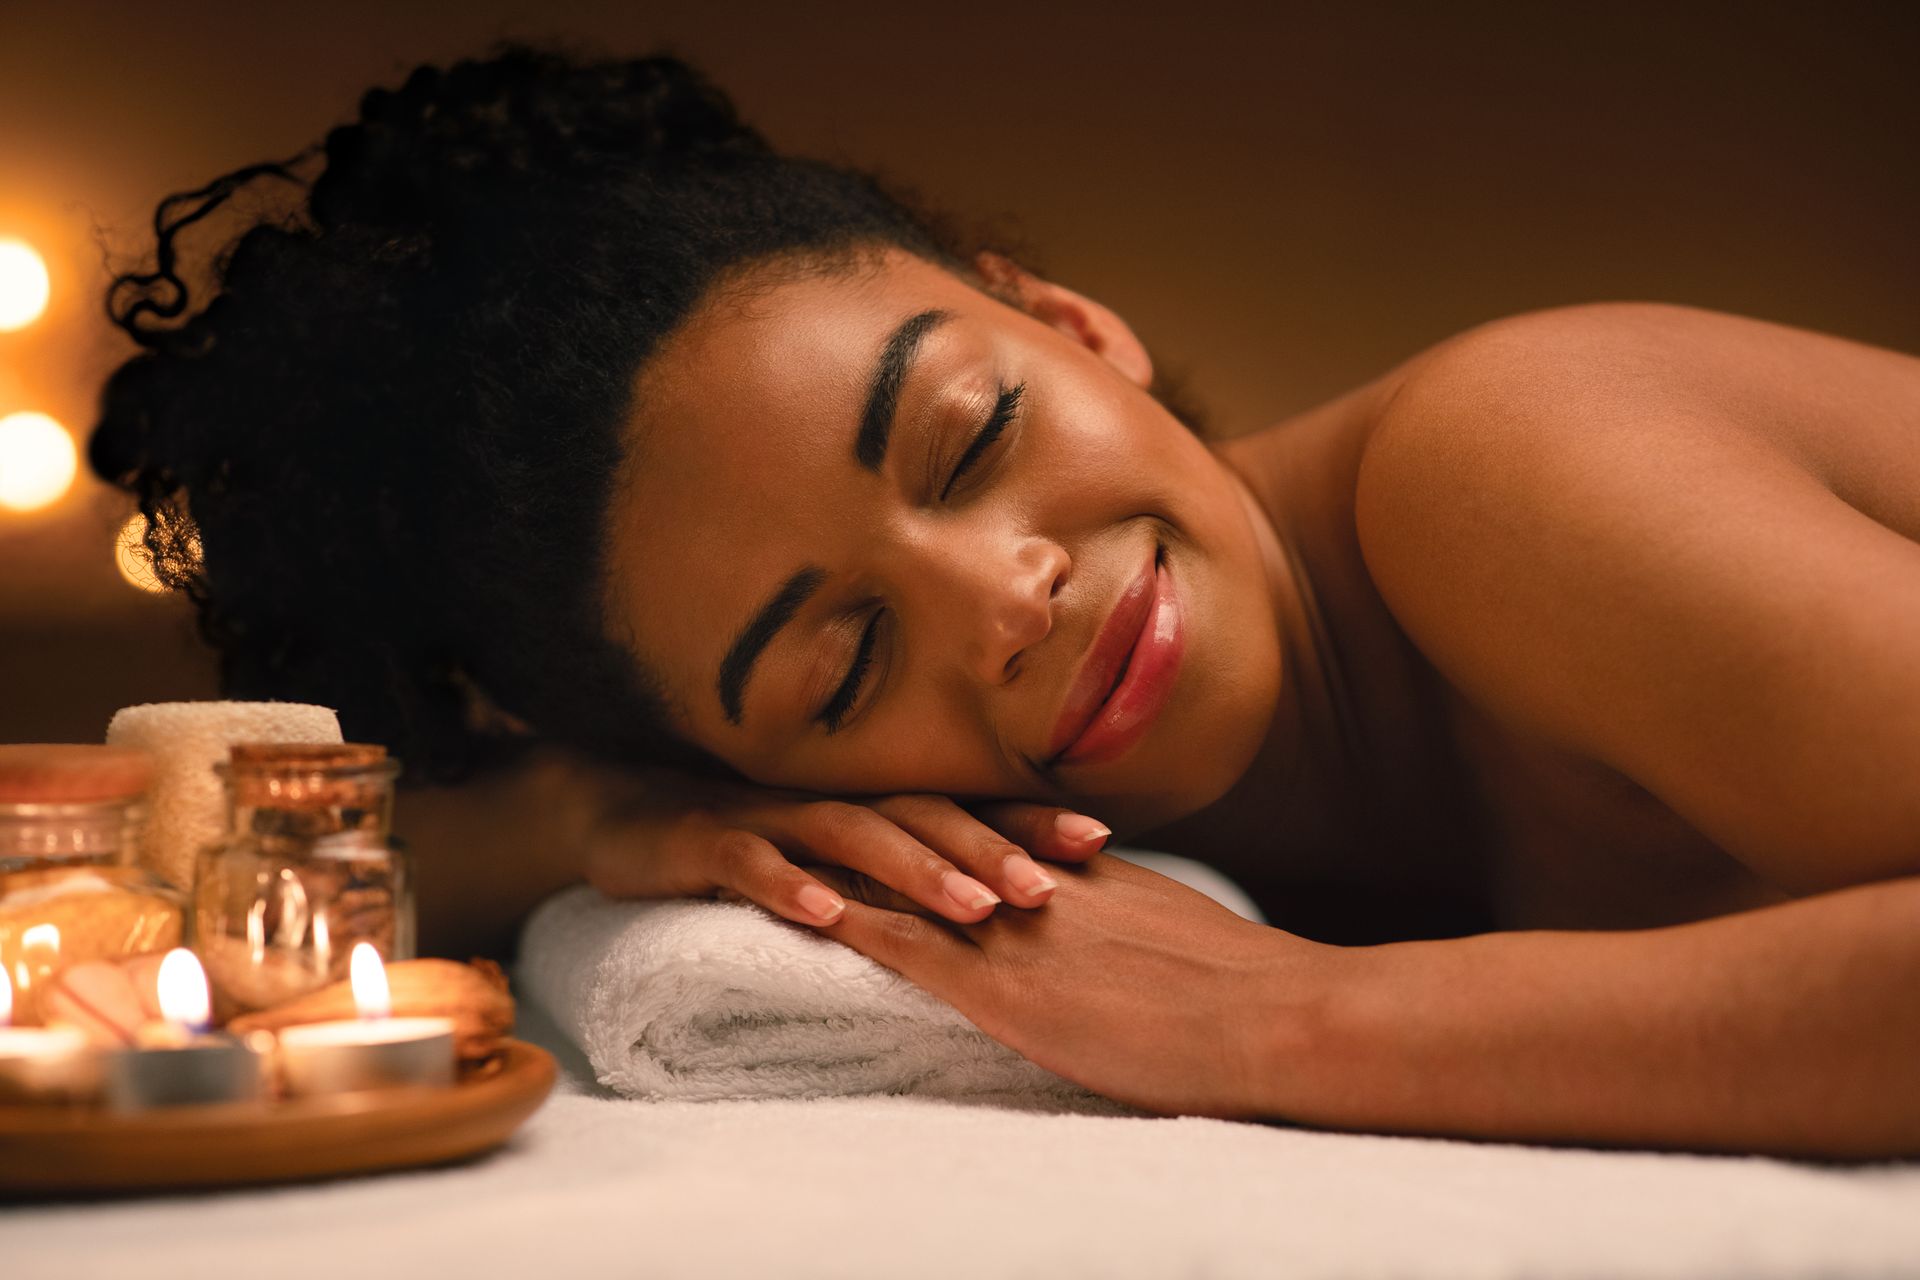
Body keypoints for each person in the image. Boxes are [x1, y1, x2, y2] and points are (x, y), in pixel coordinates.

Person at [88, 46, 1920, 1157]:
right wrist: (601, 814)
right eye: (842, 656)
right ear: (753, 771)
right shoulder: (926, 819)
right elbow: (275, 889)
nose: (1007, 602)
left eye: (969, 439)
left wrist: (1290, 1029)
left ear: (1065, 323)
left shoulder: (1512, 462)